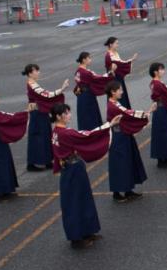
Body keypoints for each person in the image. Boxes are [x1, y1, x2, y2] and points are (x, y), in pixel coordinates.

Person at [50, 103, 120, 249]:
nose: (69, 115)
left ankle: (88, 230)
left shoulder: (56, 131)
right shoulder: (65, 133)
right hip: (73, 169)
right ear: (58, 116)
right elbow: (87, 135)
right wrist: (108, 125)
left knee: (83, 198)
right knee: (75, 202)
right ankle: (76, 237)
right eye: (67, 113)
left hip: (71, 168)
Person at [105, 81, 152, 202]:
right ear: (113, 92)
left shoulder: (114, 103)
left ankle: (127, 190)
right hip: (119, 137)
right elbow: (128, 113)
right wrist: (147, 112)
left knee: (127, 163)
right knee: (121, 164)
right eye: (119, 90)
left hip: (122, 135)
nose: (122, 92)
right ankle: (117, 192)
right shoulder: (113, 106)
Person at [24, 64, 68, 171]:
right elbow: (46, 95)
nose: (38, 72)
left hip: (40, 112)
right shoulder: (32, 84)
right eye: (36, 71)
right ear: (30, 73)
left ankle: (47, 160)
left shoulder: (32, 83)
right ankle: (33, 163)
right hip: (37, 114)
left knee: (45, 136)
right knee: (39, 137)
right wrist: (61, 90)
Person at [74, 52, 114, 131]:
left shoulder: (78, 71)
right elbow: (98, 79)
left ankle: (84, 130)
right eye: (89, 58)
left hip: (81, 97)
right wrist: (110, 74)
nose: (90, 60)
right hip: (87, 96)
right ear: (84, 60)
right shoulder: (86, 73)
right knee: (91, 114)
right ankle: (93, 131)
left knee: (83, 114)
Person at [103, 36, 138, 108]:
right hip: (114, 80)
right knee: (117, 95)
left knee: (122, 95)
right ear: (111, 44)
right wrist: (112, 69)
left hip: (119, 78)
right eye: (116, 43)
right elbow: (110, 68)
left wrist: (131, 60)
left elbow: (121, 63)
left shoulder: (116, 53)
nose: (117, 45)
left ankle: (125, 111)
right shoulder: (108, 55)